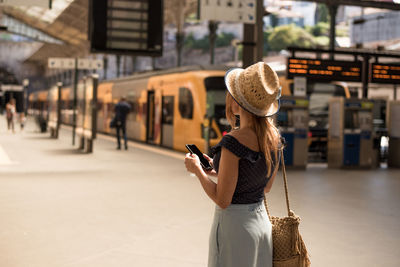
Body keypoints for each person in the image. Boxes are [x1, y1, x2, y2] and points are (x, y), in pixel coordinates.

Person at [184, 62, 282, 267]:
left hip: (236, 229)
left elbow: (223, 200)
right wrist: (216, 169)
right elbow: (265, 186)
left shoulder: (233, 141)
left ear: (237, 103)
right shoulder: (274, 138)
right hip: (262, 225)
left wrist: (198, 171)